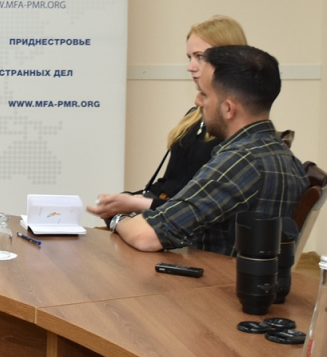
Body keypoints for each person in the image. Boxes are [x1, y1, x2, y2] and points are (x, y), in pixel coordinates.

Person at [111, 45, 308, 254]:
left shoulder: (240, 162)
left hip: (214, 274)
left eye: (203, 94)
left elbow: (147, 235)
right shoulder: (284, 156)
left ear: (228, 108)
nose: (197, 101)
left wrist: (118, 219)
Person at [88, 15, 246, 220]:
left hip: (185, 228)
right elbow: (170, 185)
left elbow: (199, 207)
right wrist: (128, 199)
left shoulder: (234, 125)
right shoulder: (193, 115)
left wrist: (136, 204)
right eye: (189, 57)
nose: (191, 66)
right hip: (165, 217)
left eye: (199, 56)